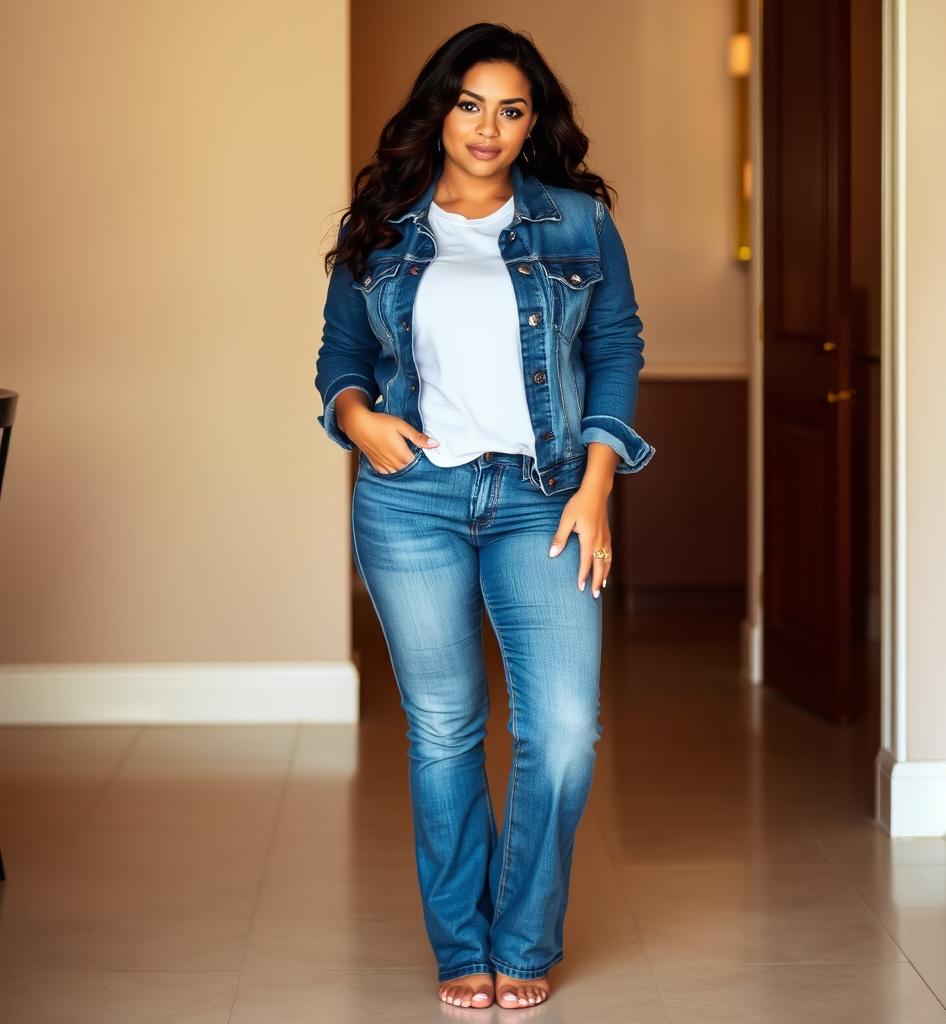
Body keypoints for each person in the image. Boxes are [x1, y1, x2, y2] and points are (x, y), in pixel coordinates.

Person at [314, 22, 655, 1010]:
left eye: (512, 109)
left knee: (561, 726)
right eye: (470, 104)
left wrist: (597, 484)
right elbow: (339, 355)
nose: (489, 128)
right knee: (445, 728)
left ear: (533, 121)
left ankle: (524, 937)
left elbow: (619, 345)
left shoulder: (578, 220)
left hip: (544, 495)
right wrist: (356, 419)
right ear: (439, 108)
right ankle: (463, 945)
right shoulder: (383, 222)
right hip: (411, 499)